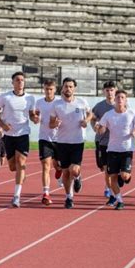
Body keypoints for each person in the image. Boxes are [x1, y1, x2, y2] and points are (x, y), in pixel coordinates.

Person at [0, 71, 38, 208]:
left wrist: (35, 118)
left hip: (23, 134)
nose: (20, 82)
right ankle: (21, 172)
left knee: (20, 162)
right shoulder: (5, 97)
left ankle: (16, 196)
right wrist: (3, 125)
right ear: (12, 83)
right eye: (17, 80)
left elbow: (31, 114)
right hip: (9, 136)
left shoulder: (30, 98)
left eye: (22, 80)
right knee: (13, 166)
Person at [49, 77, 92, 209]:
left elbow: (90, 114)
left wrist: (86, 121)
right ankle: (69, 197)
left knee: (73, 170)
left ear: (74, 88)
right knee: (66, 172)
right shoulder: (56, 105)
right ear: (62, 88)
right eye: (66, 86)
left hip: (77, 141)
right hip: (62, 142)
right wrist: (55, 123)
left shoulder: (81, 102)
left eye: (70, 86)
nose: (68, 89)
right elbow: (50, 124)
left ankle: (78, 177)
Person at [95, 90, 135, 210]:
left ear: (126, 100)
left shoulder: (131, 113)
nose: (120, 99)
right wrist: (99, 128)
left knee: (124, 176)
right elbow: (102, 130)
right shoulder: (108, 115)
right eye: (118, 97)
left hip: (126, 150)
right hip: (112, 150)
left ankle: (124, 175)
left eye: (122, 97)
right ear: (115, 99)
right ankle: (119, 200)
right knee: (112, 176)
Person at [35, 79, 62, 205]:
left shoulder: (60, 103)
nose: (48, 91)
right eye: (46, 89)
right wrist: (34, 118)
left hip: (60, 139)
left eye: (51, 89)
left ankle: (59, 169)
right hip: (44, 138)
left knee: (58, 165)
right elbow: (35, 114)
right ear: (43, 89)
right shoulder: (39, 102)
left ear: (55, 90)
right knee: (46, 165)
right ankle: (46, 193)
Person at [91, 81, 119, 199]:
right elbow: (92, 118)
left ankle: (111, 189)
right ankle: (108, 187)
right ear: (104, 92)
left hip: (116, 141)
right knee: (104, 167)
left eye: (111, 90)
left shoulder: (120, 105)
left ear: (115, 91)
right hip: (101, 141)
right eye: (107, 90)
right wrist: (95, 128)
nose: (109, 93)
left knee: (112, 168)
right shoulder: (99, 106)